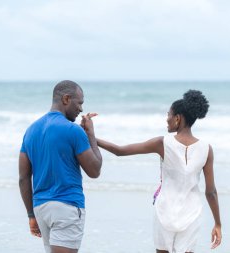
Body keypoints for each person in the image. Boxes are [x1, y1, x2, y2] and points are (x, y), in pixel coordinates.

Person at [93, 89, 222, 253]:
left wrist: (91, 137)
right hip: (192, 213)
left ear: (177, 118)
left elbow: (120, 151)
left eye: (168, 114)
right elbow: (211, 192)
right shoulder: (206, 149)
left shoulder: (162, 143)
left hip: (165, 211)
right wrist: (218, 223)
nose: (166, 119)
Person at [19, 80, 102, 253]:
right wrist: (91, 135)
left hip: (41, 208)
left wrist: (30, 215)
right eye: (79, 103)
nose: (81, 109)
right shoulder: (73, 131)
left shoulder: (31, 130)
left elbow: (23, 178)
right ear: (66, 99)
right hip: (67, 206)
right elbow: (94, 170)